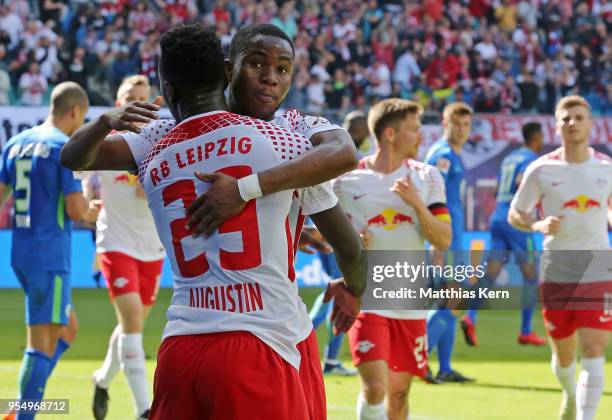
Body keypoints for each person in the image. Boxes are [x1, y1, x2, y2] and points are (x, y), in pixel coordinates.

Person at [61, 24, 364, 420]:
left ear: (168, 89)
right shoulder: (289, 139)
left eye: (284, 69)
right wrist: (354, 287)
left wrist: (107, 121)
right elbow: (349, 223)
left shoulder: (160, 139)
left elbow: (74, 157)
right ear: (227, 71)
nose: (271, 77)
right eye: (257, 64)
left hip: (182, 343)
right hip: (266, 343)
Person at [334, 98, 452, 420]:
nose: (420, 137)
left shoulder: (427, 177)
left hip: (409, 304)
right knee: (375, 388)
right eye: (415, 129)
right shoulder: (345, 180)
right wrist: (351, 243)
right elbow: (319, 235)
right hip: (368, 299)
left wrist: (417, 205)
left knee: (398, 397)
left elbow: (443, 237)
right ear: (389, 134)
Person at [509, 95, 612, 420]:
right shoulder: (541, 170)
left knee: (595, 351)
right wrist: (538, 224)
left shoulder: (606, 169)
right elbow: (516, 213)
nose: (572, 123)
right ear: (557, 126)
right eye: (566, 118)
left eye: (579, 117)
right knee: (564, 358)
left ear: (590, 124)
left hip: (600, 268)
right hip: (556, 270)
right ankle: (569, 393)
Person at [0, 82, 99, 420]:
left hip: (22, 251)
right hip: (49, 254)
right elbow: (75, 210)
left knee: (67, 329)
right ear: (75, 112)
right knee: (40, 340)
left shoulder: (15, 144)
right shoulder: (64, 149)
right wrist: (88, 206)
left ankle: (22, 404)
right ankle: (23, 415)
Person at [90, 75, 165, 420]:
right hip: (115, 242)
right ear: (118, 104)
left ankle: (102, 379)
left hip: (152, 248)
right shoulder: (105, 140)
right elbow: (87, 180)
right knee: (133, 322)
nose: (136, 102)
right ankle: (143, 409)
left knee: (129, 327)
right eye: (129, 97)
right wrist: (90, 202)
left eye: (142, 97)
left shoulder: (159, 141)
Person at [462, 122, 546, 346]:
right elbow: (521, 183)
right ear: (537, 138)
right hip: (516, 221)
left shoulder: (509, 158)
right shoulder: (530, 160)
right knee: (531, 276)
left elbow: (498, 190)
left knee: (490, 274)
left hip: (498, 217)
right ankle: (526, 331)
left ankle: (469, 316)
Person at [423, 102, 475, 383]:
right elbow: (433, 197)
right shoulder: (443, 155)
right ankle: (420, 359)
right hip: (446, 240)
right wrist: (437, 245)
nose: (462, 130)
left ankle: (444, 366)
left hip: (453, 237)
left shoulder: (451, 154)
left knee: (453, 301)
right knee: (451, 299)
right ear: (445, 123)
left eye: (466, 125)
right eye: (456, 124)